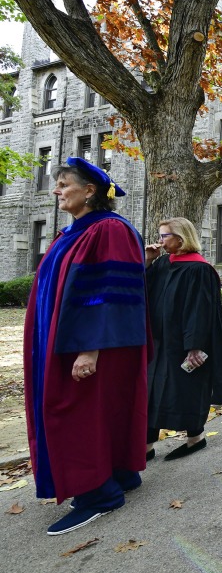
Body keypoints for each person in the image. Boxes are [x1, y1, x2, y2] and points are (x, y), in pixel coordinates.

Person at [23, 156, 149, 536]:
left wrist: (89, 348)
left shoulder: (109, 229)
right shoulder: (72, 231)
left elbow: (107, 294)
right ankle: (120, 472)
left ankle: (98, 494)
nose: (56, 189)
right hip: (61, 341)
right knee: (93, 411)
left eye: (63, 183)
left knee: (78, 412)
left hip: (88, 346)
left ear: (90, 190)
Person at [144, 217, 222, 461]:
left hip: (183, 344)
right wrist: (147, 261)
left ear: (180, 238)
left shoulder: (199, 269)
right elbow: (141, 289)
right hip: (157, 341)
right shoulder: (162, 263)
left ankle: (195, 438)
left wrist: (194, 347)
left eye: (165, 235)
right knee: (150, 389)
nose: (161, 240)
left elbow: (200, 311)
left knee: (185, 390)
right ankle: (146, 445)